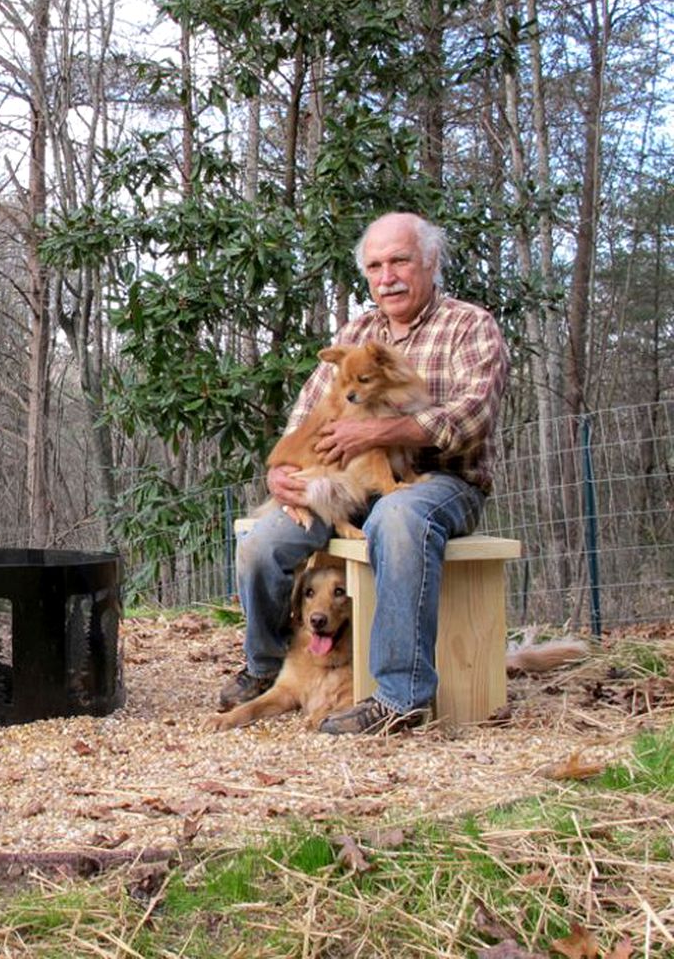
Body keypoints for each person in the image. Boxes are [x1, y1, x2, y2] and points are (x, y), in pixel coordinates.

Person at [219, 211, 511, 734]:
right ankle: (267, 669)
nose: (387, 276)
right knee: (263, 543)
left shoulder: (468, 325)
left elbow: (473, 417)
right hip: (345, 482)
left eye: (399, 260)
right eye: (375, 266)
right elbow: (309, 412)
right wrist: (284, 473)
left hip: (438, 482)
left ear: (430, 262)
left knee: (396, 518)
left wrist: (381, 433)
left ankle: (398, 697)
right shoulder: (357, 331)